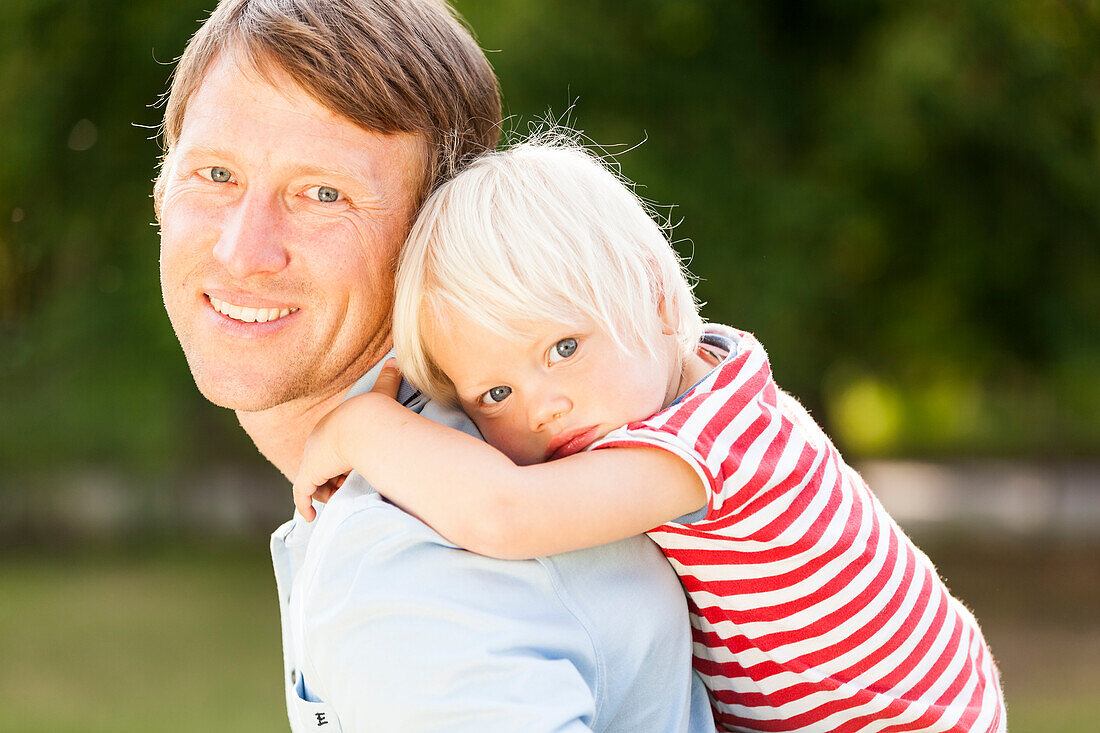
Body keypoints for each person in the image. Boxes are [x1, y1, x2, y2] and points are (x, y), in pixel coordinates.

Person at [292, 140, 1008, 732]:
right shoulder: (709, 381)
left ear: (657, 297)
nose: (544, 406)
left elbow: (504, 512)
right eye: (496, 393)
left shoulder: (709, 439)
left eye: (563, 348)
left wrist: (361, 425)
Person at [155, 0, 716, 730]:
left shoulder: (411, 560)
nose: (242, 250)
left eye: (324, 194)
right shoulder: (527, 439)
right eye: (215, 173)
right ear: (163, 190)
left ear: (430, 238)